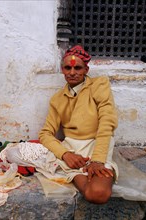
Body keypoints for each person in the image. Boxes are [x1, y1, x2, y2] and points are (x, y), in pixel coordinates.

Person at [38, 45, 118, 204]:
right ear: (62, 70)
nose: (72, 72)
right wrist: (66, 154)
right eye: (68, 67)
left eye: (77, 67)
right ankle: (75, 173)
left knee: (98, 193)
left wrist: (98, 160)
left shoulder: (99, 85)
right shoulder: (57, 99)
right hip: (72, 152)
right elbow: (45, 134)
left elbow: (107, 122)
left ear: (86, 69)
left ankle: (76, 175)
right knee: (91, 192)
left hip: (97, 147)